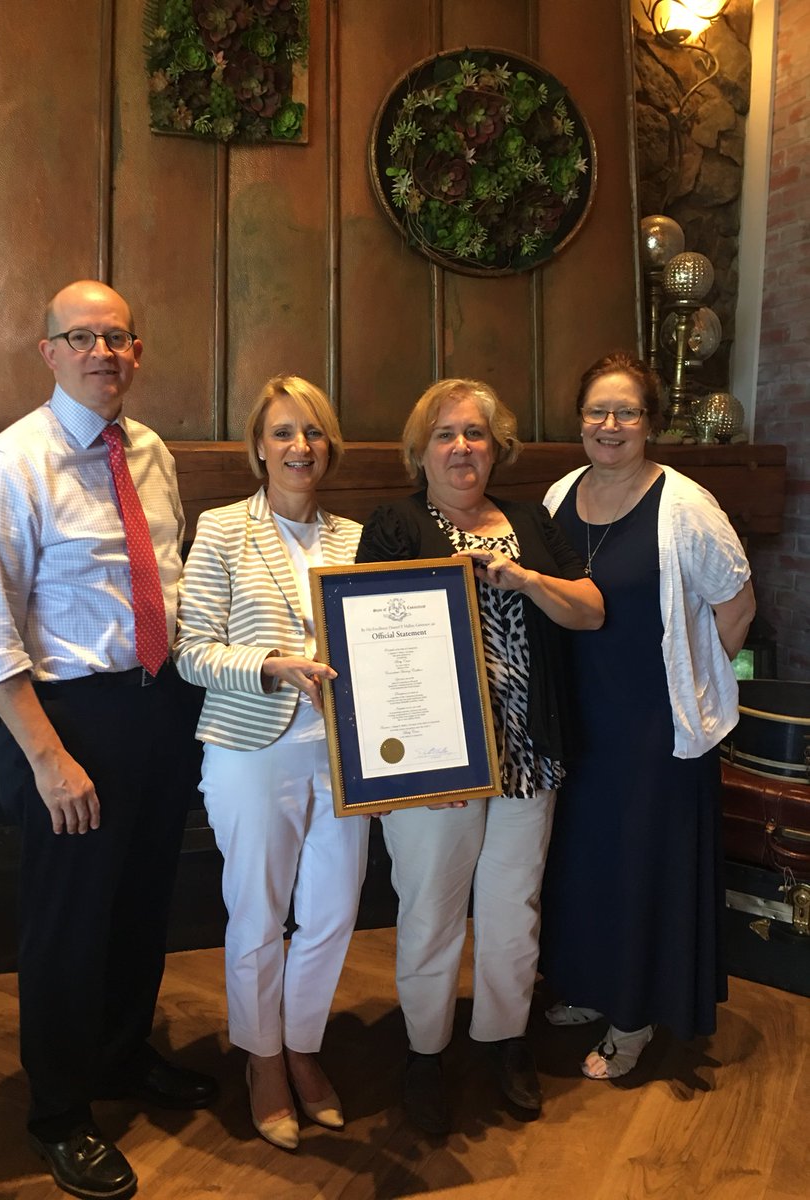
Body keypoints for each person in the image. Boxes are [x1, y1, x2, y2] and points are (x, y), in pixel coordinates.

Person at [0, 280, 216, 1200]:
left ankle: (121, 1055)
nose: (103, 352)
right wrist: (48, 757)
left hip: (158, 706)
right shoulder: (7, 466)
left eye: (118, 337)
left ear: (137, 351)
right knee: (66, 926)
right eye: (81, 337)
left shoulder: (152, 453)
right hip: (69, 720)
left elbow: (166, 578)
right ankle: (60, 1114)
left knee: (143, 903)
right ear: (49, 352)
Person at [356, 378, 603, 1134]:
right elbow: (367, 645)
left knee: (513, 908)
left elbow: (590, 610)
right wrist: (411, 764)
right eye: (445, 434)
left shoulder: (530, 522)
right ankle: (424, 1053)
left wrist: (527, 578)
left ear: (497, 448)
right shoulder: (396, 524)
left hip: (530, 752)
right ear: (420, 450)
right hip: (437, 765)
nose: (462, 447)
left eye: (476, 434)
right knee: (430, 910)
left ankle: (504, 1039)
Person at [539, 351, 756, 1080]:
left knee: (640, 869)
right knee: (583, 860)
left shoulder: (686, 506)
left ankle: (632, 1017)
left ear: (650, 423)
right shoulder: (560, 494)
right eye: (597, 411)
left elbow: (737, 607)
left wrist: (700, 684)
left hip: (655, 729)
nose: (610, 425)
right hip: (580, 718)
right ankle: (589, 986)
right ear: (580, 420)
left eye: (627, 412)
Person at [174, 375, 369, 1151]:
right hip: (251, 750)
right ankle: (262, 1060)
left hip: (346, 756)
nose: (300, 446)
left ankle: (303, 1046)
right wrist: (269, 666)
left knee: (334, 911)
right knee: (258, 912)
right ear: (259, 445)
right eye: (284, 431)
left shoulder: (357, 538)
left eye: (313, 432)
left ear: (330, 447)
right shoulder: (223, 528)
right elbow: (192, 651)